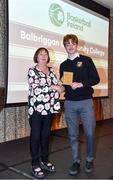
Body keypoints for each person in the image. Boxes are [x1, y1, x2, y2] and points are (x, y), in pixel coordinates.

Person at [59, 34, 100, 175]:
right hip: (70, 104)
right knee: (72, 135)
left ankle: (89, 159)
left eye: (73, 44)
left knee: (89, 133)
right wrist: (59, 85)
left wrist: (81, 84)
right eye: (67, 44)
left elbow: (96, 79)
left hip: (85, 102)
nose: (70, 46)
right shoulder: (63, 65)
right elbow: (65, 84)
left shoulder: (86, 60)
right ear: (65, 47)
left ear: (77, 45)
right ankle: (76, 161)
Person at [27, 47, 63, 179]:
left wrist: (61, 87)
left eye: (45, 54)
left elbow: (59, 84)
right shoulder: (32, 71)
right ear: (36, 57)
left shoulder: (52, 71)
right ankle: (35, 163)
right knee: (36, 135)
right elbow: (36, 89)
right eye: (41, 54)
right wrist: (54, 87)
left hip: (50, 109)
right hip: (36, 109)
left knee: (46, 135)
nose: (43, 56)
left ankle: (45, 160)